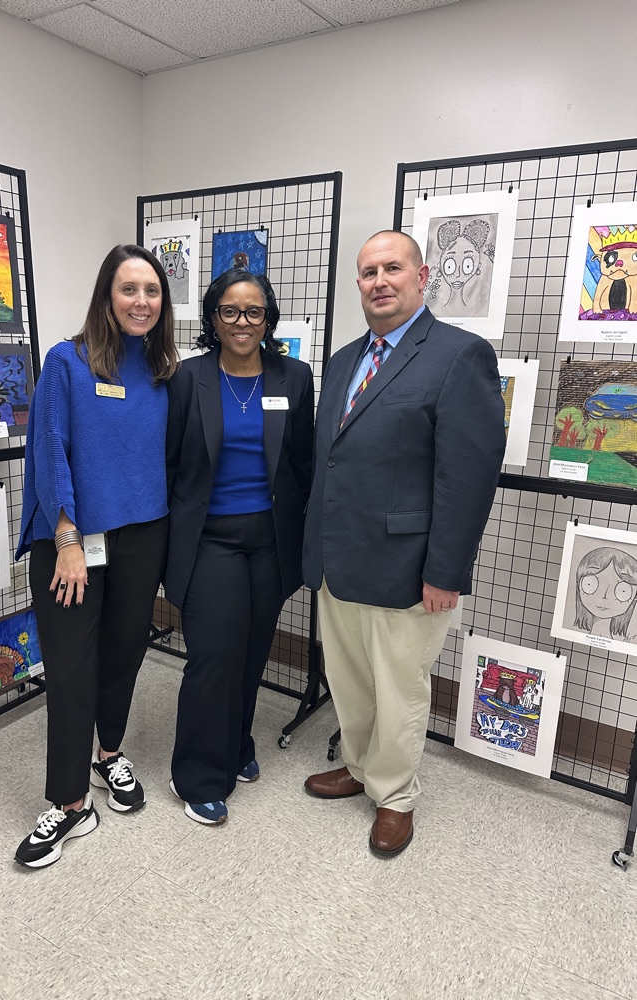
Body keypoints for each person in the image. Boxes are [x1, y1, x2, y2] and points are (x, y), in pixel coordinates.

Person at [302, 230, 506, 858]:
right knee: (352, 677)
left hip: (408, 564)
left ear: (422, 277)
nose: (379, 281)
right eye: (368, 272)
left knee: (399, 686)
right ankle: (361, 766)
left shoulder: (458, 355)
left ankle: (395, 796)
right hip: (340, 557)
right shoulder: (342, 362)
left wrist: (445, 570)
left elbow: (467, 477)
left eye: (393, 268)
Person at [14, 244, 178, 868]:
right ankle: (69, 801)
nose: (141, 301)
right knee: (71, 668)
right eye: (128, 289)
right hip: (72, 544)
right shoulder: (68, 361)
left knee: (122, 657)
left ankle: (110, 754)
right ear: (106, 295)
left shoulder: (165, 371)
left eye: (152, 291)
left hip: (144, 538)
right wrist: (67, 537)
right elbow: (50, 450)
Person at [164, 270, 314, 825]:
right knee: (214, 656)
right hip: (211, 542)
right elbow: (171, 463)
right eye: (230, 311)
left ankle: (237, 746)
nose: (242, 322)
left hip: (271, 542)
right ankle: (199, 774)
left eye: (253, 312)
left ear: (268, 319)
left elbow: (302, 464)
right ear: (212, 318)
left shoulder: (293, 378)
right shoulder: (187, 378)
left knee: (253, 653)